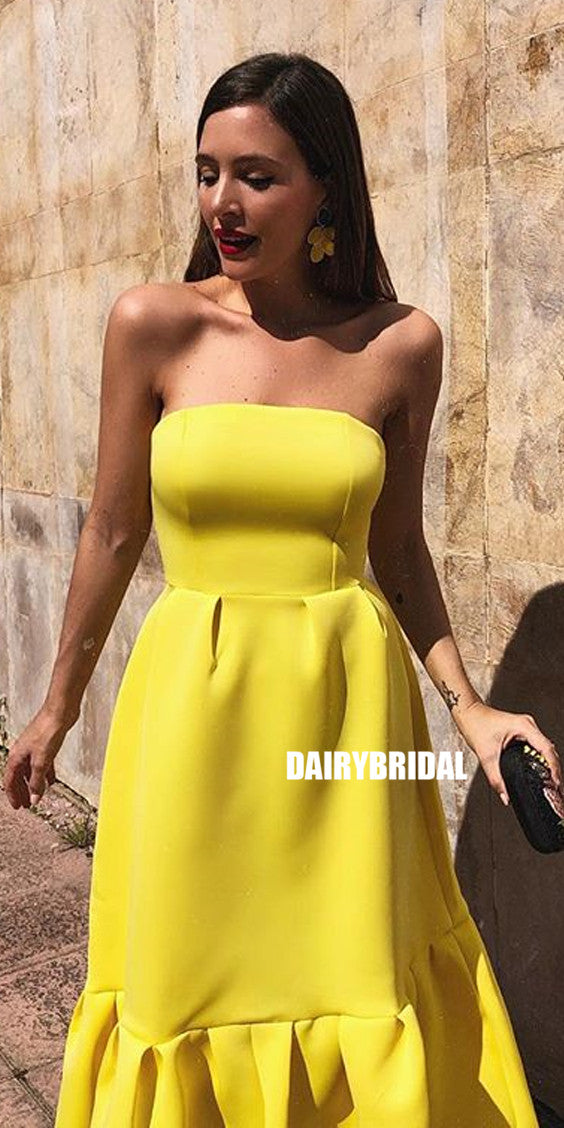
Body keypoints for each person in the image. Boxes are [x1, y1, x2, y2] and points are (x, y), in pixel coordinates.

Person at [3, 51, 560, 1127]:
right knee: (190, 976)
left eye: (257, 176)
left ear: (325, 192)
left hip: (346, 718)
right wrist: (56, 707)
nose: (223, 202)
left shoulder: (401, 345)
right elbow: (113, 529)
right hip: (194, 713)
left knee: (348, 970)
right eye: (207, 172)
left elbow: (400, 552)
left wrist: (473, 711)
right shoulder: (152, 324)